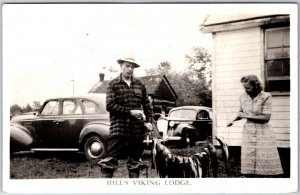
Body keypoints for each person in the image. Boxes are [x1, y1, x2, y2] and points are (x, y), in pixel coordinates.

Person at [98, 54, 153, 178]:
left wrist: (149, 121)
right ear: (121, 66)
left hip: (137, 130)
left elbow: (147, 106)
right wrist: (130, 112)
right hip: (118, 129)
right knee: (110, 161)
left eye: (132, 67)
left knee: (134, 162)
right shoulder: (113, 84)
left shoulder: (140, 84)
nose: (130, 69)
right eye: (127, 66)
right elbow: (110, 105)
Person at [227, 75, 283, 177]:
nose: (246, 90)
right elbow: (241, 113)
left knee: (263, 159)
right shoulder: (243, 96)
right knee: (249, 158)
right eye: (244, 87)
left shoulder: (266, 96)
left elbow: (266, 117)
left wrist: (246, 116)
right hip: (248, 131)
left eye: (248, 88)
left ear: (256, 86)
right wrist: (233, 120)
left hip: (263, 131)